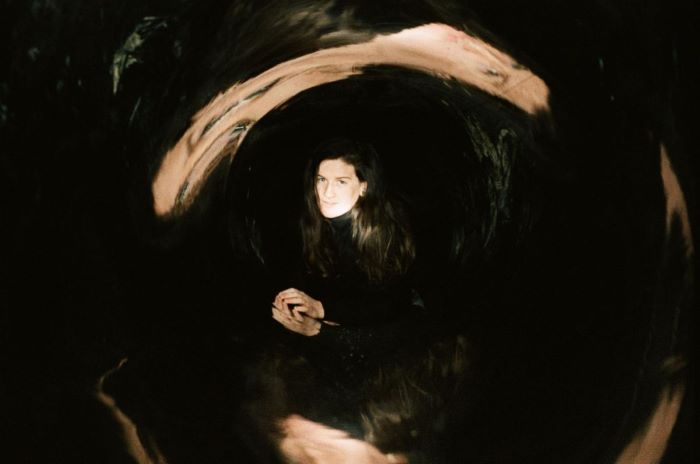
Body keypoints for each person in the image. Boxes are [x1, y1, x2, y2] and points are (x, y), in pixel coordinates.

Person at [270, 138, 426, 366]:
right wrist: (293, 303)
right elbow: (309, 280)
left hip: (395, 322)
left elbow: (392, 304)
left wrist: (321, 316)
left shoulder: (387, 228)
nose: (327, 193)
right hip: (344, 316)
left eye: (341, 182)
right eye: (321, 180)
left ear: (363, 187)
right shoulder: (311, 222)